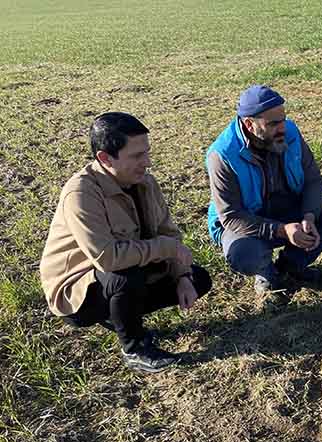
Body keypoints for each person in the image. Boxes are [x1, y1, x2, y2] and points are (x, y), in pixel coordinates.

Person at [39, 112, 212, 373]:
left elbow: (168, 232)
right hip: (79, 290)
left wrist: (181, 276)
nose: (148, 162)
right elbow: (107, 258)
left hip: (130, 268)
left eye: (147, 152)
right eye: (136, 156)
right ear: (105, 158)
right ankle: (135, 348)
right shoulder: (81, 193)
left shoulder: (145, 182)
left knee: (199, 279)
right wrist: (166, 249)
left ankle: (119, 314)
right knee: (123, 277)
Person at [206, 85, 322, 305]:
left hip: (287, 207)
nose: (282, 127)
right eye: (273, 123)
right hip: (247, 221)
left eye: (283, 119)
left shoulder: (290, 133)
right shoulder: (222, 155)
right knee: (243, 253)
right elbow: (232, 216)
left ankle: (291, 266)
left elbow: (313, 179)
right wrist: (282, 230)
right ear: (249, 124)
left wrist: (309, 216)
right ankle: (267, 273)